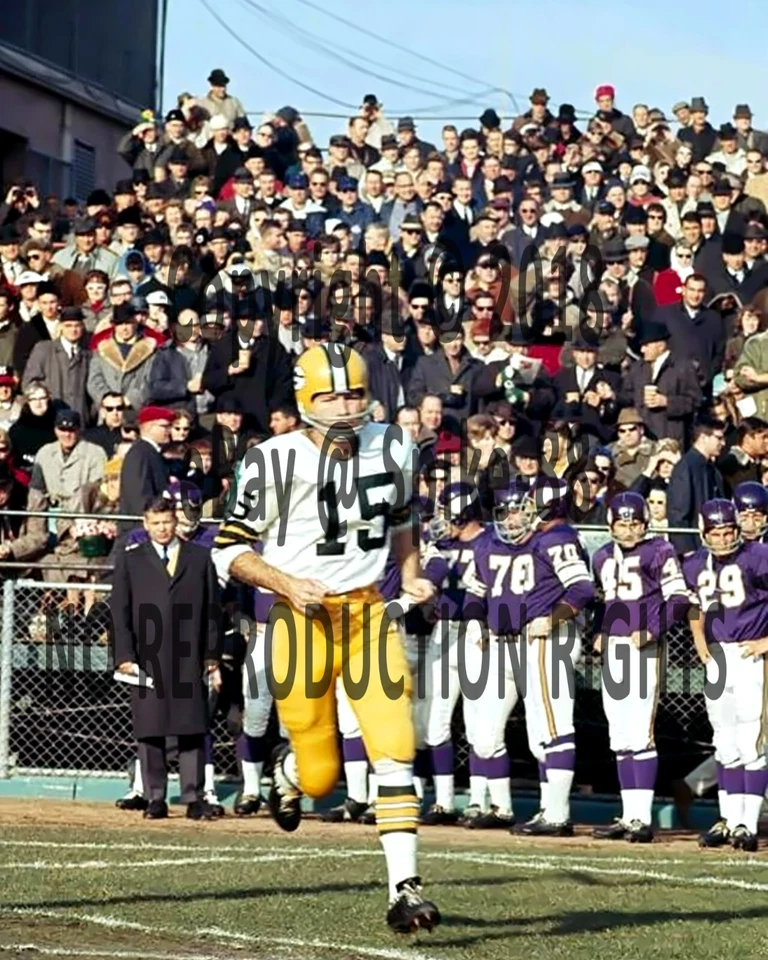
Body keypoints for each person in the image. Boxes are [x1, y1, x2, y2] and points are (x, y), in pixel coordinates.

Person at [211, 343, 440, 934]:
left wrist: (410, 573)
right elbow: (229, 548)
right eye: (331, 396)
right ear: (305, 400)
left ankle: (404, 889)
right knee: (320, 774)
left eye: (354, 394)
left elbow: (403, 517)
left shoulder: (392, 445)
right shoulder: (270, 459)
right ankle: (287, 778)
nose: (344, 407)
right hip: (299, 621)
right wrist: (286, 581)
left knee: (395, 745)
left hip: (365, 617)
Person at [467, 476, 596, 836]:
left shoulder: (554, 539)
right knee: (484, 734)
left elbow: (583, 588)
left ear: (532, 510)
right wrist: (477, 624)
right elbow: (475, 593)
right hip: (503, 643)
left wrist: (551, 619)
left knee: (551, 728)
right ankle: (502, 806)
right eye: (504, 513)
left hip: (544, 639)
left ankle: (556, 814)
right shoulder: (488, 545)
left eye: (517, 512)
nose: (510, 520)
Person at [111, 498, 223, 821]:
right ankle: (155, 797)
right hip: (147, 656)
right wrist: (124, 656)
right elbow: (120, 612)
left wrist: (211, 655)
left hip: (188, 654)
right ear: (145, 524)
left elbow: (212, 611)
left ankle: (193, 796)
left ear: (176, 522)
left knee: (191, 728)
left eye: (167, 522)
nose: (162, 529)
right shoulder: (131, 561)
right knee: (150, 729)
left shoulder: (199, 558)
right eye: (155, 523)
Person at [591, 492, 690, 843]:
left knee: (639, 730)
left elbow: (679, 599)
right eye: (623, 523)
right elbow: (609, 602)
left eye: (635, 523)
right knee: (618, 733)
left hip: (644, 646)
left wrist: (651, 630)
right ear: (610, 524)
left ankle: (641, 817)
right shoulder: (602, 555)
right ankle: (629, 813)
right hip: (615, 648)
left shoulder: (659, 551)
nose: (629, 530)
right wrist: (602, 632)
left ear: (645, 524)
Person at [683, 499, 768, 852]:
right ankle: (730, 820)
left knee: (752, 741)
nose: (722, 539)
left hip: (750, 654)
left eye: (728, 532)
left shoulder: (758, 556)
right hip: (718, 655)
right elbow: (695, 607)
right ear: (704, 533)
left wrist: (766, 641)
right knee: (724, 741)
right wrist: (699, 642)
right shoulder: (694, 564)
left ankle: (748, 823)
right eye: (716, 533)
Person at [419, 483, 486, 827]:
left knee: (478, 723)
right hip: (445, 630)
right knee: (435, 720)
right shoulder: (440, 544)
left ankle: (478, 800)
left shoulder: (490, 543)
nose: (441, 520)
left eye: (448, 512)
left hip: (478, 633)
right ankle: (444, 801)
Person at [666, 416, 727, 555]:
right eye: (719, 438)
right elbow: (678, 514)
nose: (723, 443)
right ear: (704, 437)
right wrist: (688, 551)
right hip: (695, 550)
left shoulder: (711, 469)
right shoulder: (686, 468)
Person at [118, 406, 174, 523]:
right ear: (148, 427)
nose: (169, 431)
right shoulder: (140, 454)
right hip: (140, 530)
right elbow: (139, 496)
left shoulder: (150, 452)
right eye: (165, 426)